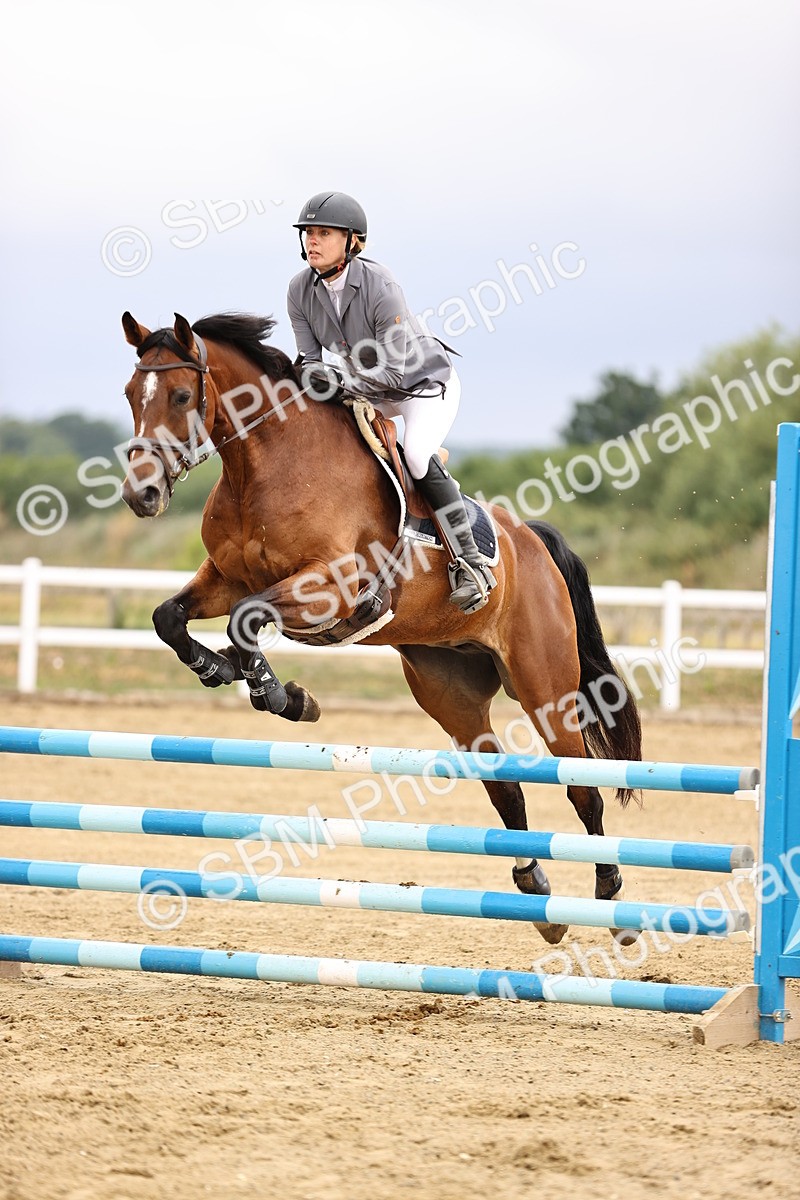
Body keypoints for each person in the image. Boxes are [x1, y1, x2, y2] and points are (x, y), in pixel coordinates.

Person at [287, 190, 496, 614]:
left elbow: (396, 371)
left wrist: (338, 381)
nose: (312, 241)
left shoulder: (381, 286)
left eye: (323, 233)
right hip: (370, 392)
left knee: (417, 456)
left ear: (352, 241)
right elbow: (308, 362)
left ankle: (470, 563)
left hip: (420, 385)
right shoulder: (299, 291)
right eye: (308, 233)